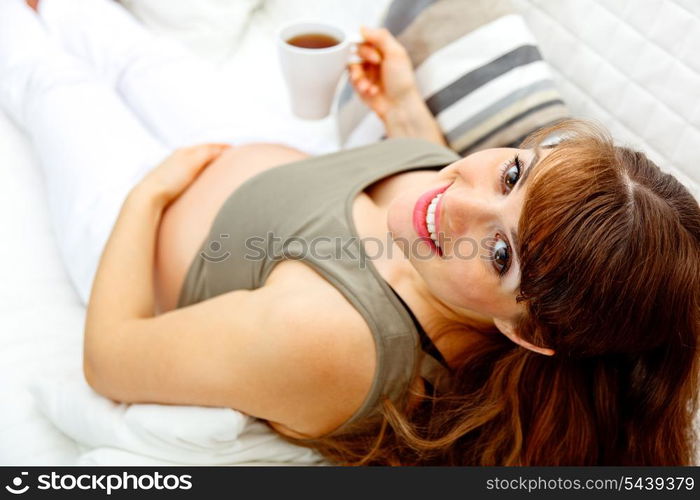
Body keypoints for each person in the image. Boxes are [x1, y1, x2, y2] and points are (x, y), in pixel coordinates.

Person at [1, 0, 698, 466]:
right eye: (513, 176)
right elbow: (443, 211)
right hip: (254, 164)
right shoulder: (459, 254)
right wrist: (403, 112)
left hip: (138, 232)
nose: (455, 201)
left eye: (500, 253)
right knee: (127, 50)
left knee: (53, 86)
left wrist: (147, 193)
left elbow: (110, 359)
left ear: (529, 333)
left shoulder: (328, 342)